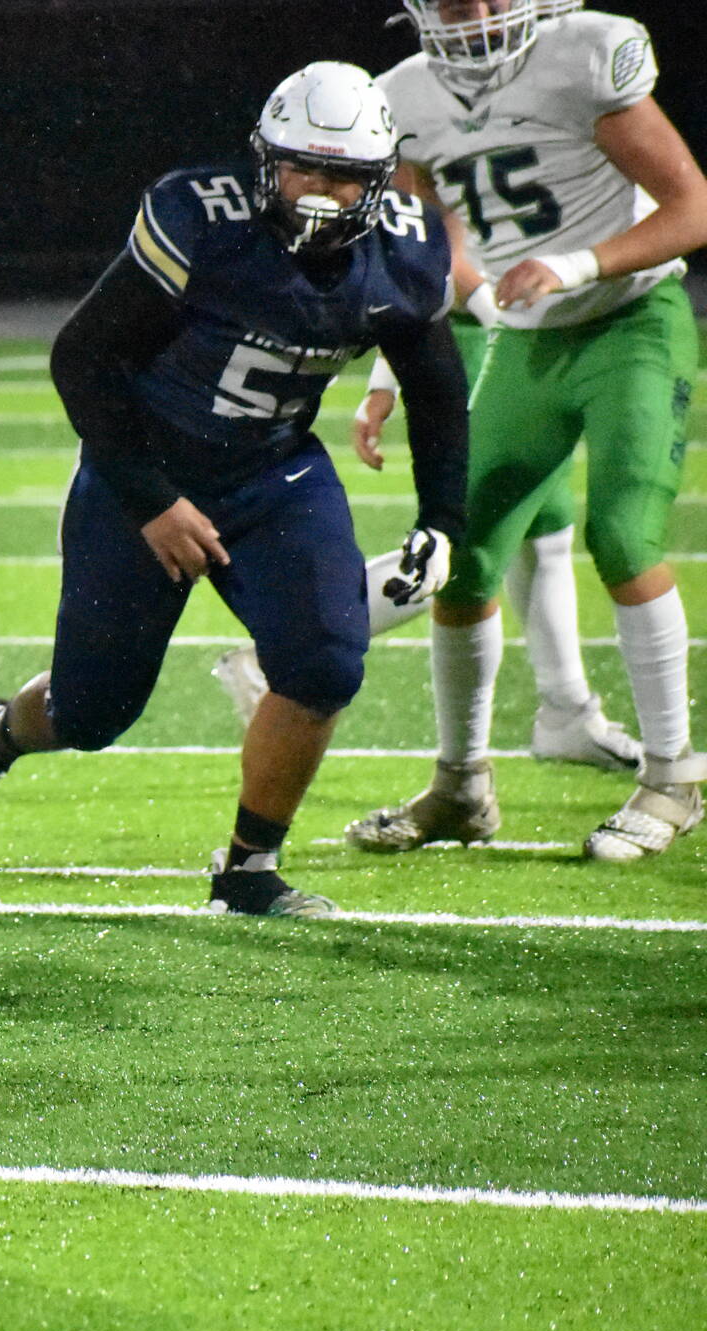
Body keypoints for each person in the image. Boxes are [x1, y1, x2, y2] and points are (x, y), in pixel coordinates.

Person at [0, 62, 470, 915]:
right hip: (146, 465)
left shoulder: (404, 244)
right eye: (302, 169)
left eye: (343, 176)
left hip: (274, 471)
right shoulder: (201, 219)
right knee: (95, 711)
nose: (319, 194)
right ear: (264, 161)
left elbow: (432, 385)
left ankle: (249, 869)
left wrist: (441, 517)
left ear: (378, 177)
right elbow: (83, 359)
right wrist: (151, 500)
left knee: (324, 658)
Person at [348, 0, 707, 860]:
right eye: (449, 1)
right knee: (462, 555)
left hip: (631, 321)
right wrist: (392, 365)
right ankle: (461, 785)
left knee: (622, 532)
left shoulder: (585, 54)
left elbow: (691, 205)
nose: (469, 14)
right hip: (525, 341)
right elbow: (428, 240)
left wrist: (576, 264)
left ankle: (673, 776)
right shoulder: (402, 93)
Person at [212, 295, 640, 771]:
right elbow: (444, 262)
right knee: (471, 541)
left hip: (516, 337)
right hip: (494, 341)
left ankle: (567, 705)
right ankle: (282, 652)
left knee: (544, 523)